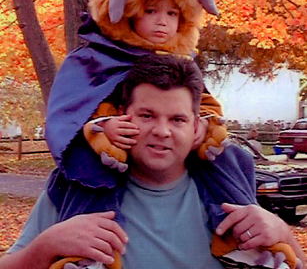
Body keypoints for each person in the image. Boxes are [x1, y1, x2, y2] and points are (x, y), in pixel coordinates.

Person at [1, 54, 305, 269]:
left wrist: (284, 234)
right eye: (147, 116)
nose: (162, 131)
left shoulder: (228, 189)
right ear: (121, 115)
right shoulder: (75, 186)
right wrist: (46, 246)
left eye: (177, 119)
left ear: (197, 126)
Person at [44, 0, 229, 194]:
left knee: (231, 166)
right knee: (86, 197)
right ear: (129, 10)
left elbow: (203, 102)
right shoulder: (95, 59)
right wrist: (103, 125)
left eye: (171, 13)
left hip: (171, 169)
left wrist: (207, 123)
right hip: (113, 166)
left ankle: (237, 220)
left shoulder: (182, 63)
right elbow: (74, 109)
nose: (162, 22)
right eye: (151, 11)